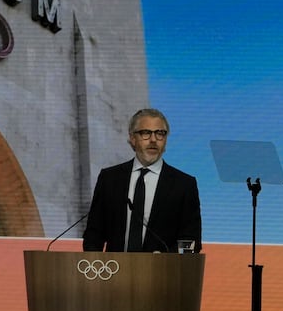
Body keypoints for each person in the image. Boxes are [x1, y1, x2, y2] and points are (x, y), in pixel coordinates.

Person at [82, 108, 202, 253]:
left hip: (162, 273)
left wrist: (168, 259)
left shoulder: (184, 185)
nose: (153, 140)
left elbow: (191, 241)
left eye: (160, 134)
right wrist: (95, 267)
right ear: (132, 139)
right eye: (146, 133)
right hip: (114, 272)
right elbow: (94, 234)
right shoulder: (110, 178)